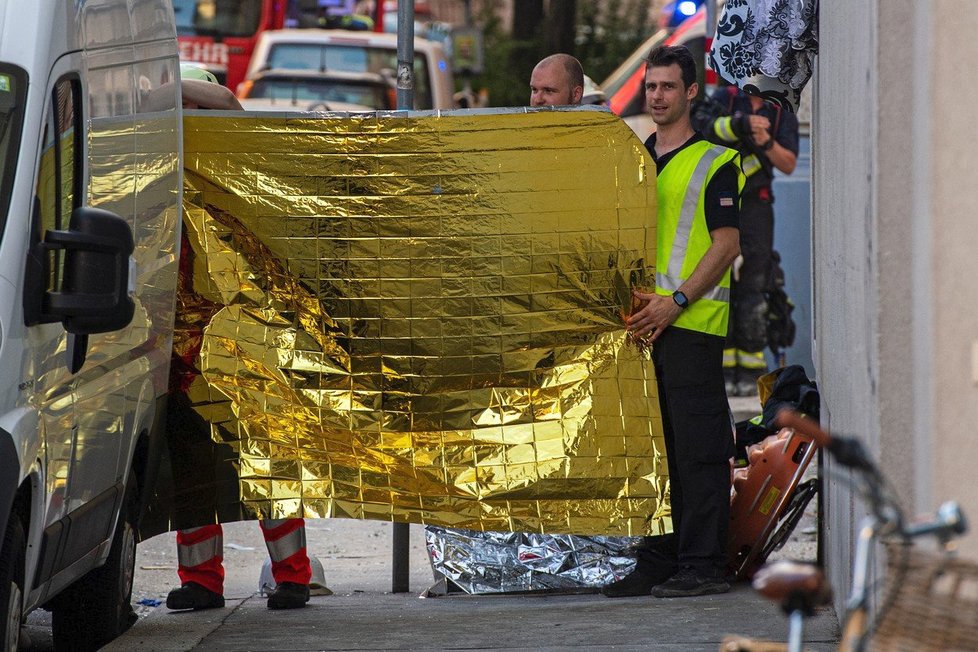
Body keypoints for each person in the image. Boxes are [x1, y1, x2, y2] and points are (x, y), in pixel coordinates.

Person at [165, 64, 313, 612]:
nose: (187, 120)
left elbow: (228, 101)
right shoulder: (158, 168)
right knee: (193, 475)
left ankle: (292, 575)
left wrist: (164, 83)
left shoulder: (230, 160)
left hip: (240, 342)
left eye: (191, 107)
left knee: (266, 461)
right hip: (180, 352)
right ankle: (201, 582)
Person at [602, 44, 743, 598]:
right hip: (642, 327)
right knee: (652, 450)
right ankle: (660, 558)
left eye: (666, 87)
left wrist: (676, 300)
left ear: (690, 92)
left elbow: (728, 244)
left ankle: (703, 563)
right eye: (651, 87)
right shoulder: (635, 159)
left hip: (689, 324)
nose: (656, 96)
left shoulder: (715, 161)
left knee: (699, 448)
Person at [700, 85, 799, 396]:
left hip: (757, 205)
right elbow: (704, 129)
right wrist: (739, 125)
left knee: (756, 284)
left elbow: (788, 163)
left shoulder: (781, 109)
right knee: (719, 281)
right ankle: (723, 366)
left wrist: (763, 140)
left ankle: (751, 368)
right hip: (724, 202)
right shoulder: (726, 99)